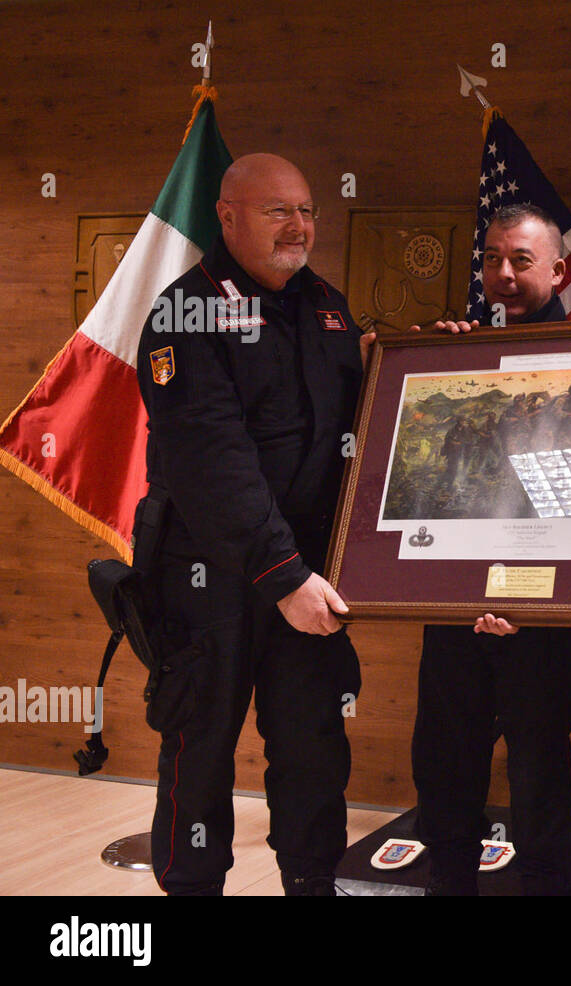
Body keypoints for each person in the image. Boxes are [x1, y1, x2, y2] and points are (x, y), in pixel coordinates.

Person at [135, 153, 374, 896]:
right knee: (198, 749)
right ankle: (191, 886)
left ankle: (311, 881)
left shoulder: (329, 307)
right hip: (208, 577)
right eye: (279, 212)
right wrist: (283, 576)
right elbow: (214, 464)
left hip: (307, 575)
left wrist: (405, 362)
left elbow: (364, 421)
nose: (299, 226)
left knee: (312, 746)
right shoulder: (185, 314)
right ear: (229, 216)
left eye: (306, 211)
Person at [412, 203, 571, 896]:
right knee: (444, 766)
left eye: (521, 260)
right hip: (458, 602)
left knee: (540, 774)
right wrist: (434, 362)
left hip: (546, 613)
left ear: (557, 267)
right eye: (492, 259)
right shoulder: (456, 351)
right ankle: (449, 882)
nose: (504, 274)